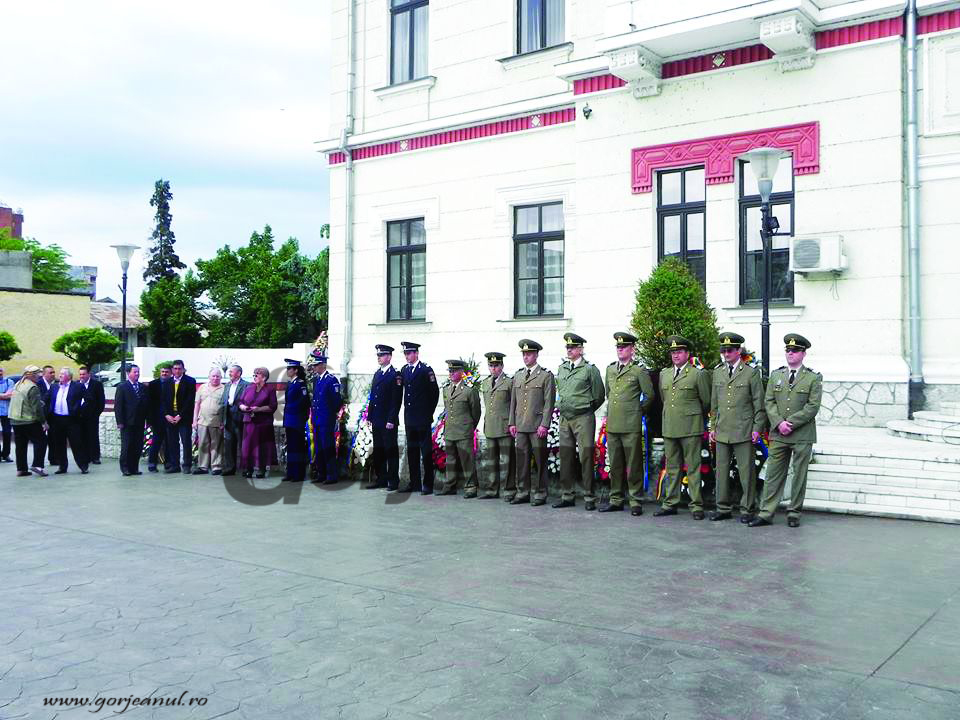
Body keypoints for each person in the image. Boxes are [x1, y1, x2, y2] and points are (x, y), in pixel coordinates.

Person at [750, 334, 823, 528]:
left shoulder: (813, 378)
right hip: (779, 434)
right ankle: (766, 512)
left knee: (799, 474)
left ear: (803, 353)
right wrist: (778, 422)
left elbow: (812, 406)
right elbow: (769, 401)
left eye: (795, 351)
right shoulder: (776, 375)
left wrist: (789, 423)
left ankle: (794, 512)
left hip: (801, 434)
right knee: (773, 473)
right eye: (788, 350)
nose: (790, 354)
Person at [709, 332, 766, 523]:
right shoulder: (718, 372)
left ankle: (747, 508)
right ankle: (722, 507)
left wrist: (757, 428)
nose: (726, 353)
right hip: (723, 429)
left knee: (746, 473)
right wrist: (713, 427)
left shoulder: (750, 373)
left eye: (730, 350)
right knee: (722, 472)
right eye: (723, 350)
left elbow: (759, 404)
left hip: (744, 430)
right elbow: (714, 404)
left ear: (739, 351)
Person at [655, 335, 712, 520]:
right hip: (670, 426)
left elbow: (705, 401)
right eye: (673, 352)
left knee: (693, 467)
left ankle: (696, 505)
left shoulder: (697, 374)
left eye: (679, 352)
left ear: (687, 354)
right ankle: (670, 502)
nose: (675, 355)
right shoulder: (664, 374)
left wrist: (692, 416)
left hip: (690, 427)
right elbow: (665, 400)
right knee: (672, 467)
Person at [602, 332, 656, 515]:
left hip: (631, 425)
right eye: (618, 347)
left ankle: (635, 500)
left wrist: (637, 411)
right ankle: (616, 498)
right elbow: (609, 394)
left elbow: (649, 395)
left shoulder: (638, 370)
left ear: (632, 349)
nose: (620, 350)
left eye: (624, 347)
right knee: (615, 464)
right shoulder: (610, 369)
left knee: (633, 465)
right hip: (613, 424)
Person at [553, 333, 605, 510]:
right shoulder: (562, 368)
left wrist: (585, 408)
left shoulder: (590, 370)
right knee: (566, 457)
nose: (569, 350)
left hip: (583, 418)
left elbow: (599, 396)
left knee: (586, 457)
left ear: (581, 350)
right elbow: (560, 390)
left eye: (573, 347)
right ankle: (567, 495)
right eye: (567, 347)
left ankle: (589, 497)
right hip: (565, 418)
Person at [508, 339, 556, 507]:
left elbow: (549, 402)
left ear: (536, 355)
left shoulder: (545, 375)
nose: (526, 357)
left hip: (537, 426)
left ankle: (541, 492)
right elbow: (513, 402)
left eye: (529, 354)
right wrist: (512, 422)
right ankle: (522, 491)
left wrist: (545, 424)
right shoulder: (518, 375)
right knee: (522, 460)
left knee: (540, 460)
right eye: (524, 354)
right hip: (521, 425)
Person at [399, 341, 440, 494]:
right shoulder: (404, 370)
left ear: (416, 353)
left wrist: (428, 412)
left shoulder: (425, 370)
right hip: (410, 418)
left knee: (426, 451)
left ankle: (428, 483)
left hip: (422, 418)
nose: (407, 356)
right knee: (412, 451)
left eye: (409, 353)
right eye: (405, 353)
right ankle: (414, 482)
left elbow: (434, 393)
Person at [437, 359, 481, 496]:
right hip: (450, 429)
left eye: (454, 371)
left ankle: (471, 487)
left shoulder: (469, 391)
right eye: (449, 371)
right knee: (450, 460)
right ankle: (450, 485)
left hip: (464, 430)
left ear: (461, 372)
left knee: (466, 459)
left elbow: (476, 412)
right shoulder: (446, 389)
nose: (451, 373)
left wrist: (470, 426)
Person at [367, 344, 402, 490]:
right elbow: (373, 398)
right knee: (379, 450)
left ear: (389, 357)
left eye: (381, 355)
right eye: (378, 356)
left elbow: (396, 400)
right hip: (377, 418)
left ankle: (393, 480)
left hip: (388, 420)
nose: (379, 358)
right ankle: (381, 478)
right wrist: (369, 416)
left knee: (390, 450)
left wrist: (391, 419)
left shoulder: (395, 375)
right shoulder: (377, 374)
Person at [479, 352, 513, 501]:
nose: (493, 369)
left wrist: (512, 423)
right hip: (491, 427)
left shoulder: (509, 382)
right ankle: (492, 489)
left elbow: (514, 405)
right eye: (491, 366)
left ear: (502, 366)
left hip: (504, 426)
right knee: (491, 461)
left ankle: (508, 490)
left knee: (506, 461)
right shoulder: (485, 383)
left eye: (496, 365)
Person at [46, 367, 90, 474]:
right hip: (57, 419)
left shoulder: (78, 386)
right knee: (59, 444)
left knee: (76, 443)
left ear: (69, 376)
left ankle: (83, 465)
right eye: (59, 374)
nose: (60, 375)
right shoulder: (54, 386)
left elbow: (88, 399)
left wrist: (79, 411)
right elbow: (46, 399)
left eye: (62, 374)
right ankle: (62, 466)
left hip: (71, 420)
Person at [308, 351, 343, 485]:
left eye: (316, 365)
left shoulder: (331, 380)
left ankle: (331, 475)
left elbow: (336, 401)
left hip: (326, 419)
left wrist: (330, 414)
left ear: (323, 365)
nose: (314, 368)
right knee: (319, 447)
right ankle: (321, 473)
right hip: (317, 419)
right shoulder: (317, 379)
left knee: (328, 447)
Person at [238, 367, 278, 478]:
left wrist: (258, 409)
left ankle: (261, 469)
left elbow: (272, 406)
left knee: (261, 446)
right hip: (249, 421)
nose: (254, 376)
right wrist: (243, 407)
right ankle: (248, 469)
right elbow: (240, 401)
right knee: (247, 446)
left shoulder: (270, 389)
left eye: (257, 375)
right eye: (254, 375)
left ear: (264, 377)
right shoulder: (249, 387)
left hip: (263, 423)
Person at [8, 365, 47, 477]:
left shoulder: (18, 384)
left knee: (20, 445)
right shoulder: (33, 387)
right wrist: (44, 422)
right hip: (28, 420)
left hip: (15, 419)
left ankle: (21, 469)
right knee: (41, 441)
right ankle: (38, 465)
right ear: (32, 375)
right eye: (38, 375)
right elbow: (36, 409)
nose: (39, 377)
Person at [162, 360, 197, 474]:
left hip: (184, 417)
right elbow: (164, 400)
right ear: (172, 370)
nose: (177, 371)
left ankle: (187, 465)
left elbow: (190, 400)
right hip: (170, 416)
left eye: (179, 368)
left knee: (186, 441)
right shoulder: (167, 382)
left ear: (183, 369)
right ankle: (174, 465)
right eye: (175, 368)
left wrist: (180, 415)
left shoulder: (190, 381)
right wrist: (167, 414)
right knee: (172, 442)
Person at [114, 364, 148, 476]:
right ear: (128, 373)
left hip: (139, 422)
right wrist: (119, 422)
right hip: (127, 422)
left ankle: (134, 467)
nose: (137, 374)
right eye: (135, 372)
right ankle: (125, 468)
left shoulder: (142, 387)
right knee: (127, 446)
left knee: (137, 446)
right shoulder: (122, 387)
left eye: (138, 372)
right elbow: (118, 406)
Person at [192, 368, 226, 475]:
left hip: (216, 421)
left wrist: (223, 421)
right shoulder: (202, 387)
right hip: (202, 420)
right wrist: (194, 420)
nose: (215, 378)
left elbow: (226, 407)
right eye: (213, 376)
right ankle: (203, 466)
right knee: (203, 443)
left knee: (216, 444)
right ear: (209, 376)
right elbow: (197, 404)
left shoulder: (224, 389)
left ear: (221, 378)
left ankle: (216, 466)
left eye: (218, 376)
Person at [282, 359, 310, 483]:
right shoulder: (290, 384)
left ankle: (298, 474)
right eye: (287, 369)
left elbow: (304, 403)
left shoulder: (300, 384)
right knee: (291, 447)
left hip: (297, 420)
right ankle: (291, 473)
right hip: (289, 420)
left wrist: (300, 418)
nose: (287, 371)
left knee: (297, 447)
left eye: (290, 369)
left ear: (296, 370)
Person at [220, 365, 248, 477]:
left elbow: (247, 400)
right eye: (229, 372)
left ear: (239, 373)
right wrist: (222, 420)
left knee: (243, 444)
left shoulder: (246, 385)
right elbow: (223, 402)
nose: (229, 373)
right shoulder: (227, 385)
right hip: (228, 417)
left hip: (240, 418)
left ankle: (245, 469)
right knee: (228, 444)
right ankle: (230, 468)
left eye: (232, 371)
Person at [77, 366, 106, 464]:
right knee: (82, 437)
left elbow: (101, 401)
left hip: (92, 416)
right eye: (80, 374)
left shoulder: (96, 385)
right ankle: (85, 457)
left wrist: (96, 413)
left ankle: (95, 457)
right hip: (79, 416)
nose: (82, 376)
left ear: (89, 374)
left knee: (93, 436)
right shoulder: (76, 385)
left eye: (84, 374)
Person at [146, 365, 172, 472]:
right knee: (156, 441)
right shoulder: (153, 384)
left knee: (169, 441)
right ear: (160, 373)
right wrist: (149, 420)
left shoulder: (173, 383)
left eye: (166, 372)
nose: (164, 373)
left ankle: (168, 463)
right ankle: (152, 463)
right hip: (157, 419)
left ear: (170, 373)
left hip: (170, 418)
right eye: (162, 372)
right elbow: (149, 403)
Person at [0, 366, 14, 462]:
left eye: (0, 371)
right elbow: (6, 395)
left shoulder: (10, 382)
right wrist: (4, 394)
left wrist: (5, 395)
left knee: (7, 433)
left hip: (6, 412)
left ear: (3, 372)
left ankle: (6, 454)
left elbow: (10, 395)